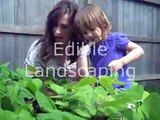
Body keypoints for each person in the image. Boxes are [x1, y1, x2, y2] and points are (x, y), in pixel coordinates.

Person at [74, 4, 144, 89]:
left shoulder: (115, 39)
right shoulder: (92, 48)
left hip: (122, 89)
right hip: (103, 91)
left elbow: (139, 50)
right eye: (85, 33)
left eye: (92, 29)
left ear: (103, 24)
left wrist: (121, 62)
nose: (89, 34)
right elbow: (96, 66)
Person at [24, 0, 88, 81]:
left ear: (74, 28)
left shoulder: (82, 48)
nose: (57, 32)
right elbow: (30, 81)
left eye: (64, 27)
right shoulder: (39, 49)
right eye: (54, 25)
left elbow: (84, 82)